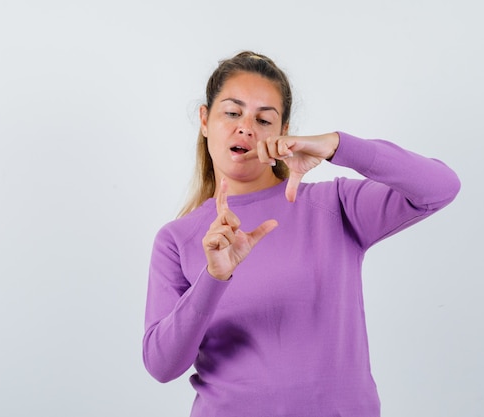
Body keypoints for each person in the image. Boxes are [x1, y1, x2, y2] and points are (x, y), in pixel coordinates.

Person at [142, 50, 460, 417]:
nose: (245, 127)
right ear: (204, 119)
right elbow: (162, 366)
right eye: (232, 112)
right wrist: (214, 277)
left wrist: (339, 146)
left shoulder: (335, 205)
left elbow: (440, 187)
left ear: (283, 132)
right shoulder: (177, 239)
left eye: (264, 119)